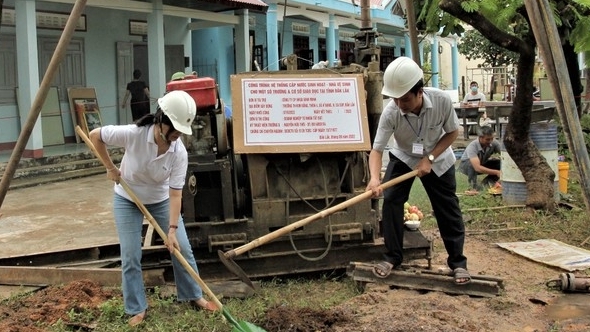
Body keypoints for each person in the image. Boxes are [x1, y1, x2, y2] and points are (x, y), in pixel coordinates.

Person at [90, 90, 217, 327]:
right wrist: (110, 167)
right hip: (127, 198)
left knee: (182, 248)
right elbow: (94, 135)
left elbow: (176, 192)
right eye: (176, 129)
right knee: (130, 255)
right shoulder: (134, 134)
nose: (179, 135)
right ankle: (136, 308)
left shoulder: (179, 152)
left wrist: (171, 229)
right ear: (161, 122)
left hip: (161, 201)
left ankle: (194, 295)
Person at [366, 56, 470, 285]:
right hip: (403, 155)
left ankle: (458, 263)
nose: (400, 104)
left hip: (438, 157)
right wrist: (375, 179)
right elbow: (376, 150)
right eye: (395, 99)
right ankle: (393, 256)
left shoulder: (441, 101)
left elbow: (452, 132)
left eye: (405, 99)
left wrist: (430, 158)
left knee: (447, 207)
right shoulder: (391, 112)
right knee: (391, 200)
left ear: (419, 91)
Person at [458, 126, 501, 191]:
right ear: (480, 138)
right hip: (466, 167)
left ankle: (487, 183)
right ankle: (473, 186)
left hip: (482, 163)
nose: (490, 141)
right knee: (471, 164)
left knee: (499, 163)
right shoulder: (473, 146)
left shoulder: (494, 142)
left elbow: (505, 155)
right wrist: (496, 172)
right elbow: (477, 168)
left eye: (492, 139)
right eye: (487, 139)